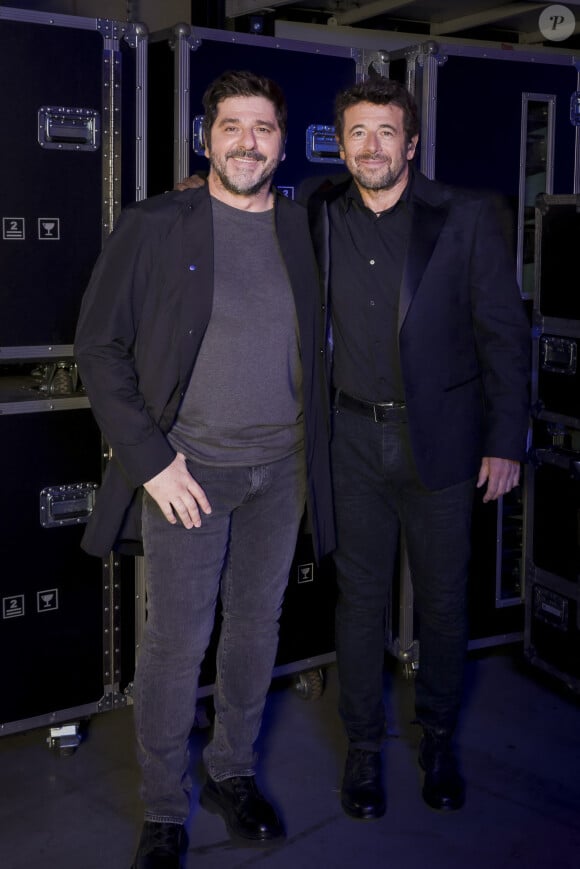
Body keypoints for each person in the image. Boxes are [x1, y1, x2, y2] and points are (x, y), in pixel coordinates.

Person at [74, 70, 334, 869]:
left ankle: (231, 771)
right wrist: (152, 464)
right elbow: (99, 348)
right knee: (176, 644)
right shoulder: (157, 224)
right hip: (191, 472)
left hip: (280, 469)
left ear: (281, 144)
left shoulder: (304, 228)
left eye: (263, 128)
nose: (247, 141)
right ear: (205, 137)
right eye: (232, 126)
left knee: (256, 630)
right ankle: (162, 808)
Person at [305, 77, 530, 819]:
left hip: (443, 443)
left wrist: (505, 440)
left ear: (412, 142)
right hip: (350, 442)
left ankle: (437, 737)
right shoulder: (317, 212)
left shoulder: (465, 217)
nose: (373, 147)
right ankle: (364, 750)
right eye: (359, 134)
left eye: (387, 133)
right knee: (360, 601)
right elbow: (235, 205)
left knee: (440, 603)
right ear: (342, 144)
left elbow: (504, 333)